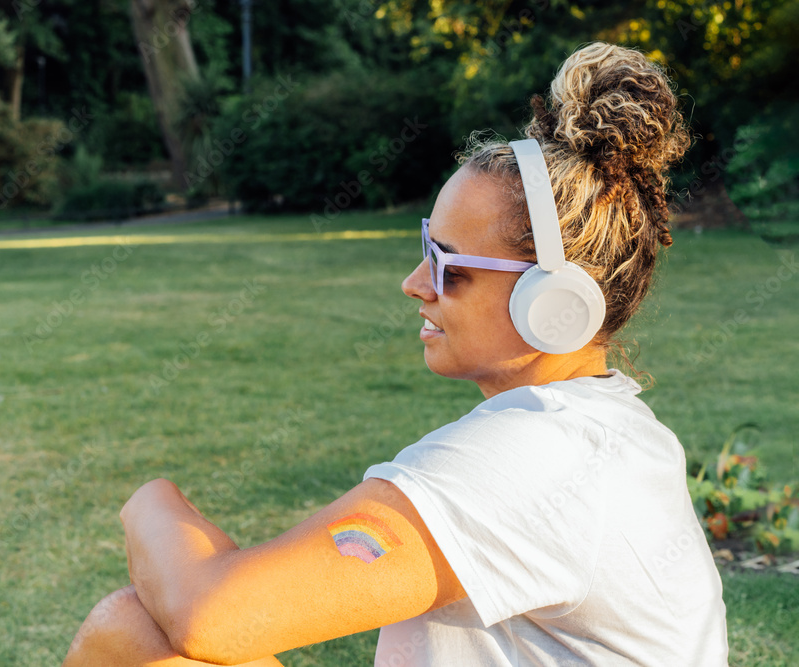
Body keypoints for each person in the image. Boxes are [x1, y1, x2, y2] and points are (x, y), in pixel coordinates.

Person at [62, 42, 729, 666]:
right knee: (135, 630)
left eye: (445, 265)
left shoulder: (530, 457)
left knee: (131, 626)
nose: (414, 283)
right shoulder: (609, 426)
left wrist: (147, 498)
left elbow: (214, 611)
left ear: (553, 304)